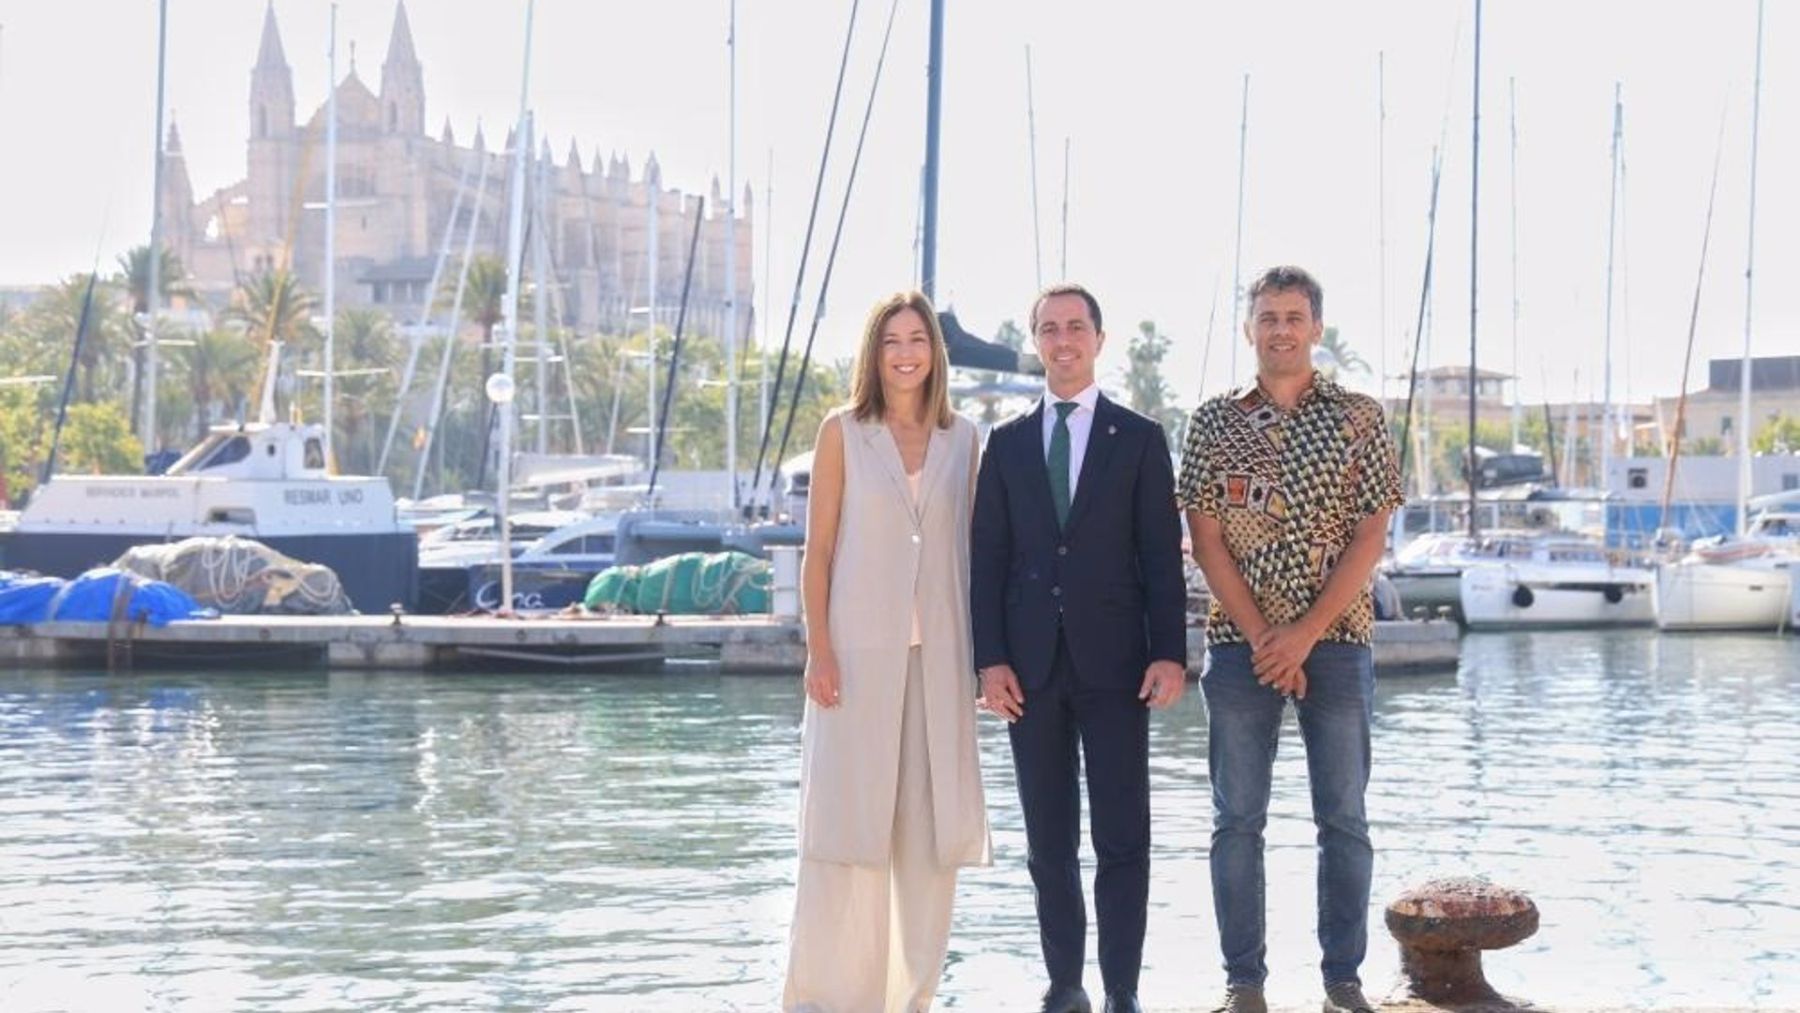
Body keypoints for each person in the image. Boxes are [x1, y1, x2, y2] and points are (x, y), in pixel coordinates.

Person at [1177, 266, 1404, 1013]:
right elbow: (1205, 539)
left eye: (1294, 316)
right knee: (1236, 818)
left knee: (1343, 815)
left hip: (1338, 641)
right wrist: (1266, 640)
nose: (1280, 328)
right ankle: (1245, 984)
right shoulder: (1211, 422)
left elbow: (1372, 536)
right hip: (1239, 647)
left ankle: (1343, 980)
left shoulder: (1361, 418)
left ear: (1317, 328)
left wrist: (1301, 636)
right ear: (1250, 330)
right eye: (1268, 316)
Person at [971, 283, 1188, 1013]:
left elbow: (1161, 556)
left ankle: (1123, 988)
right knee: (1048, 841)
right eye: (1049, 328)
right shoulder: (1003, 445)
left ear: (1098, 338)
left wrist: (1170, 653)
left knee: (1124, 837)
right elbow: (987, 558)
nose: (1062, 340)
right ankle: (1066, 984)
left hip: (1121, 666)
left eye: (1075, 327)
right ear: (1036, 341)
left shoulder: (1141, 437)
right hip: (1027, 671)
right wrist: (989, 659)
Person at [784, 290, 991, 1013]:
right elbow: (820, 552)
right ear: (874, 354)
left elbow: (974, 555)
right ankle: (827, 999)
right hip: (855, 662)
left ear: (935, 352)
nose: (906, 353)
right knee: (846, 831)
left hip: (939, 663)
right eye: (891, 341)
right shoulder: (843, 430)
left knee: (930, 842)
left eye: (918, 339)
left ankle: (913, 999)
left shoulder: (963, 437)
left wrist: (984, 659)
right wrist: (820, 649)